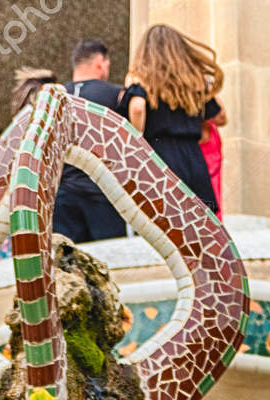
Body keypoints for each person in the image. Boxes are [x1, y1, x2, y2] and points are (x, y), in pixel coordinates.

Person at [122, 25, 224, 214]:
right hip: (194, 159)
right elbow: (219, 117)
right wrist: (204, 87)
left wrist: (137, 140)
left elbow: (136, 107)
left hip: (159, 157)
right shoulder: (193, 83)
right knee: (198, 220)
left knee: (162, 221)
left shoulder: (142, 80)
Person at [54, 39, 127, 244]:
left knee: (66, 263)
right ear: (100, 63)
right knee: (111, 259)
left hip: (64, 193)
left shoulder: (58, 96)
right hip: (102, 193)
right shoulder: (115, 95)